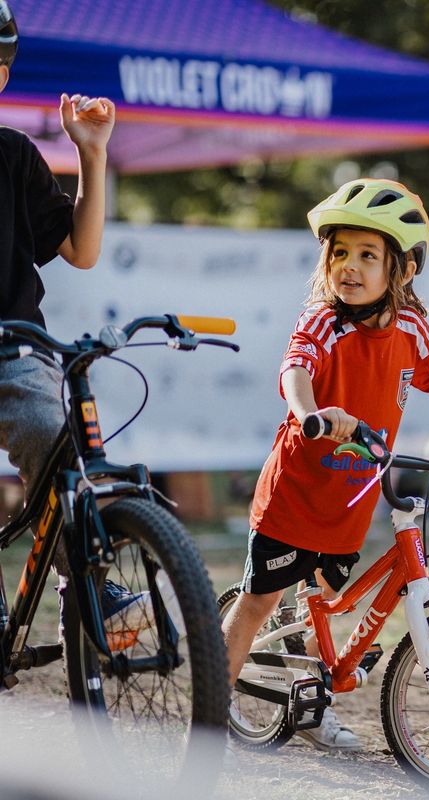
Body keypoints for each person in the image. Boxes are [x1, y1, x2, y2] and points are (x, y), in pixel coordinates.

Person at [220, 178, 429, 752]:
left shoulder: (411, 329)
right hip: (295, 492)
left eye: (368, 255)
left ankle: (313, 709)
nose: (349, 266)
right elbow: (295, 366)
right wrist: (313, 412)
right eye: (339, 252)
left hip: (352, 499)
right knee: (260, 601)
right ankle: (207, 708)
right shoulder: (324, 321)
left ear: (402, 270)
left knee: (323, 601)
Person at [0, 2, 134, 639]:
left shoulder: (14, 156)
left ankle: (86, 582)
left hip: (13, 349)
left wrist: (92, 153)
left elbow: (81, 251)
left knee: (53, 433)